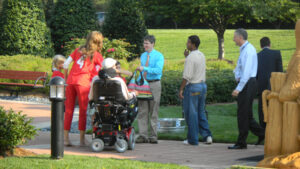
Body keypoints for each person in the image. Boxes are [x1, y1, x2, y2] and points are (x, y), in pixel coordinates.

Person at [63, 31, 104, 146]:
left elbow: (66, 64)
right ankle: (81, 140)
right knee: (82, 111)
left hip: (70, 82)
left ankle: (66, 139)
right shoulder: (96, 55)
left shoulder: (77, 50)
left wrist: (66, 78)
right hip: (83, 84)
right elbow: (101, 70)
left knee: (68, 110)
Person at [228, 29, 265, 150]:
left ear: (240, 37)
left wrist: (238, 89)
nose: (233, 39)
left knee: (242, 114)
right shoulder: (244, 49)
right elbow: (240, 68)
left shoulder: (248, 50)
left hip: (248, 83)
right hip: (248, 83)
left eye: (234, 37)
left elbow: (247, 72)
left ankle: (241, 142)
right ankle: (263, 134)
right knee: (247, 114)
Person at [179, 35, 213, 145]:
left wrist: (181, 89)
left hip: (193, 87)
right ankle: (207, 136)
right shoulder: (201, 55)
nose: (186, 44)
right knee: (201, 111)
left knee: (191, 113)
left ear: (193, 44)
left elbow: (187, 76)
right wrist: (187, 57)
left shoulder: (190, 58)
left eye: (188, 42)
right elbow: (195, 66)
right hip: (202, 86)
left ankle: (193, 139)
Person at [136, 35, 164, 144]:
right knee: (142, 111)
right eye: (144, 43)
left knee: (153, 110)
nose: (145, 45)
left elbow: (158, 70)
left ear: (153, 44)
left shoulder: (159, 56)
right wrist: (137, 83)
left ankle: (153, 136)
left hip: (154, 84)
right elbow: (142, 72)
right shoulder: (143, 56)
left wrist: (145, 68)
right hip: (143, 85)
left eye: (147, 43)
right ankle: (142, 135)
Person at [257, 37, 283, 130]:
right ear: (270, 44)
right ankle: (274, 127)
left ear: (261, 46)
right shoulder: (276, 54)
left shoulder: (257, 56)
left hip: (261, 86)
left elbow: (255, 73)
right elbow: (280, 72)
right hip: (274, 86)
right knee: (274, 107)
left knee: (262, 109)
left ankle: (263, 128)